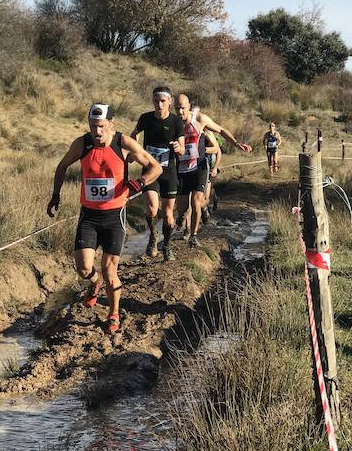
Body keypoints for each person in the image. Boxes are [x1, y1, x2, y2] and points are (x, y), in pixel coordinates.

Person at [47, 103, 162, 334]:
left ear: (111, 123)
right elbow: (61, 166)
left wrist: (139, 183)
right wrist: (55, 195)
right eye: (92, 127)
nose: (96, 132)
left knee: (111, 270)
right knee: (83, 268)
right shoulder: (82, 143)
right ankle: (94, 283)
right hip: (88, 215)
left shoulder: (124, 143)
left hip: (114, 215)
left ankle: (113, 313)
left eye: (100, 126)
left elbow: (155, 167)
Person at [173, 95, 250, 246]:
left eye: (183, 107)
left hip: (199, 167)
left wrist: (236, 143)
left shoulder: (200, 119)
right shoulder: (172, 122)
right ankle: (184, 218)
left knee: (196, 202)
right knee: (182, 208)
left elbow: (220, 130)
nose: (180, 111)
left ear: (189, 106)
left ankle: (194, 236)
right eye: (177, 108)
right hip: (182, 168)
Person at [129, 86, 184, 261]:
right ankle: (153, 237)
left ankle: (167, 246)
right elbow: (134, 134)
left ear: (169, 102)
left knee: (168, 214)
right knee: (152, 207)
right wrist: (133, 148)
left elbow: (182, 148)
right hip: (150, 171)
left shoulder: (176, 122)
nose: (159, 105)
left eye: (162, 101)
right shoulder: (146, 118)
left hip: (169, 171)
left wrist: (178, 147)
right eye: (156, 101)